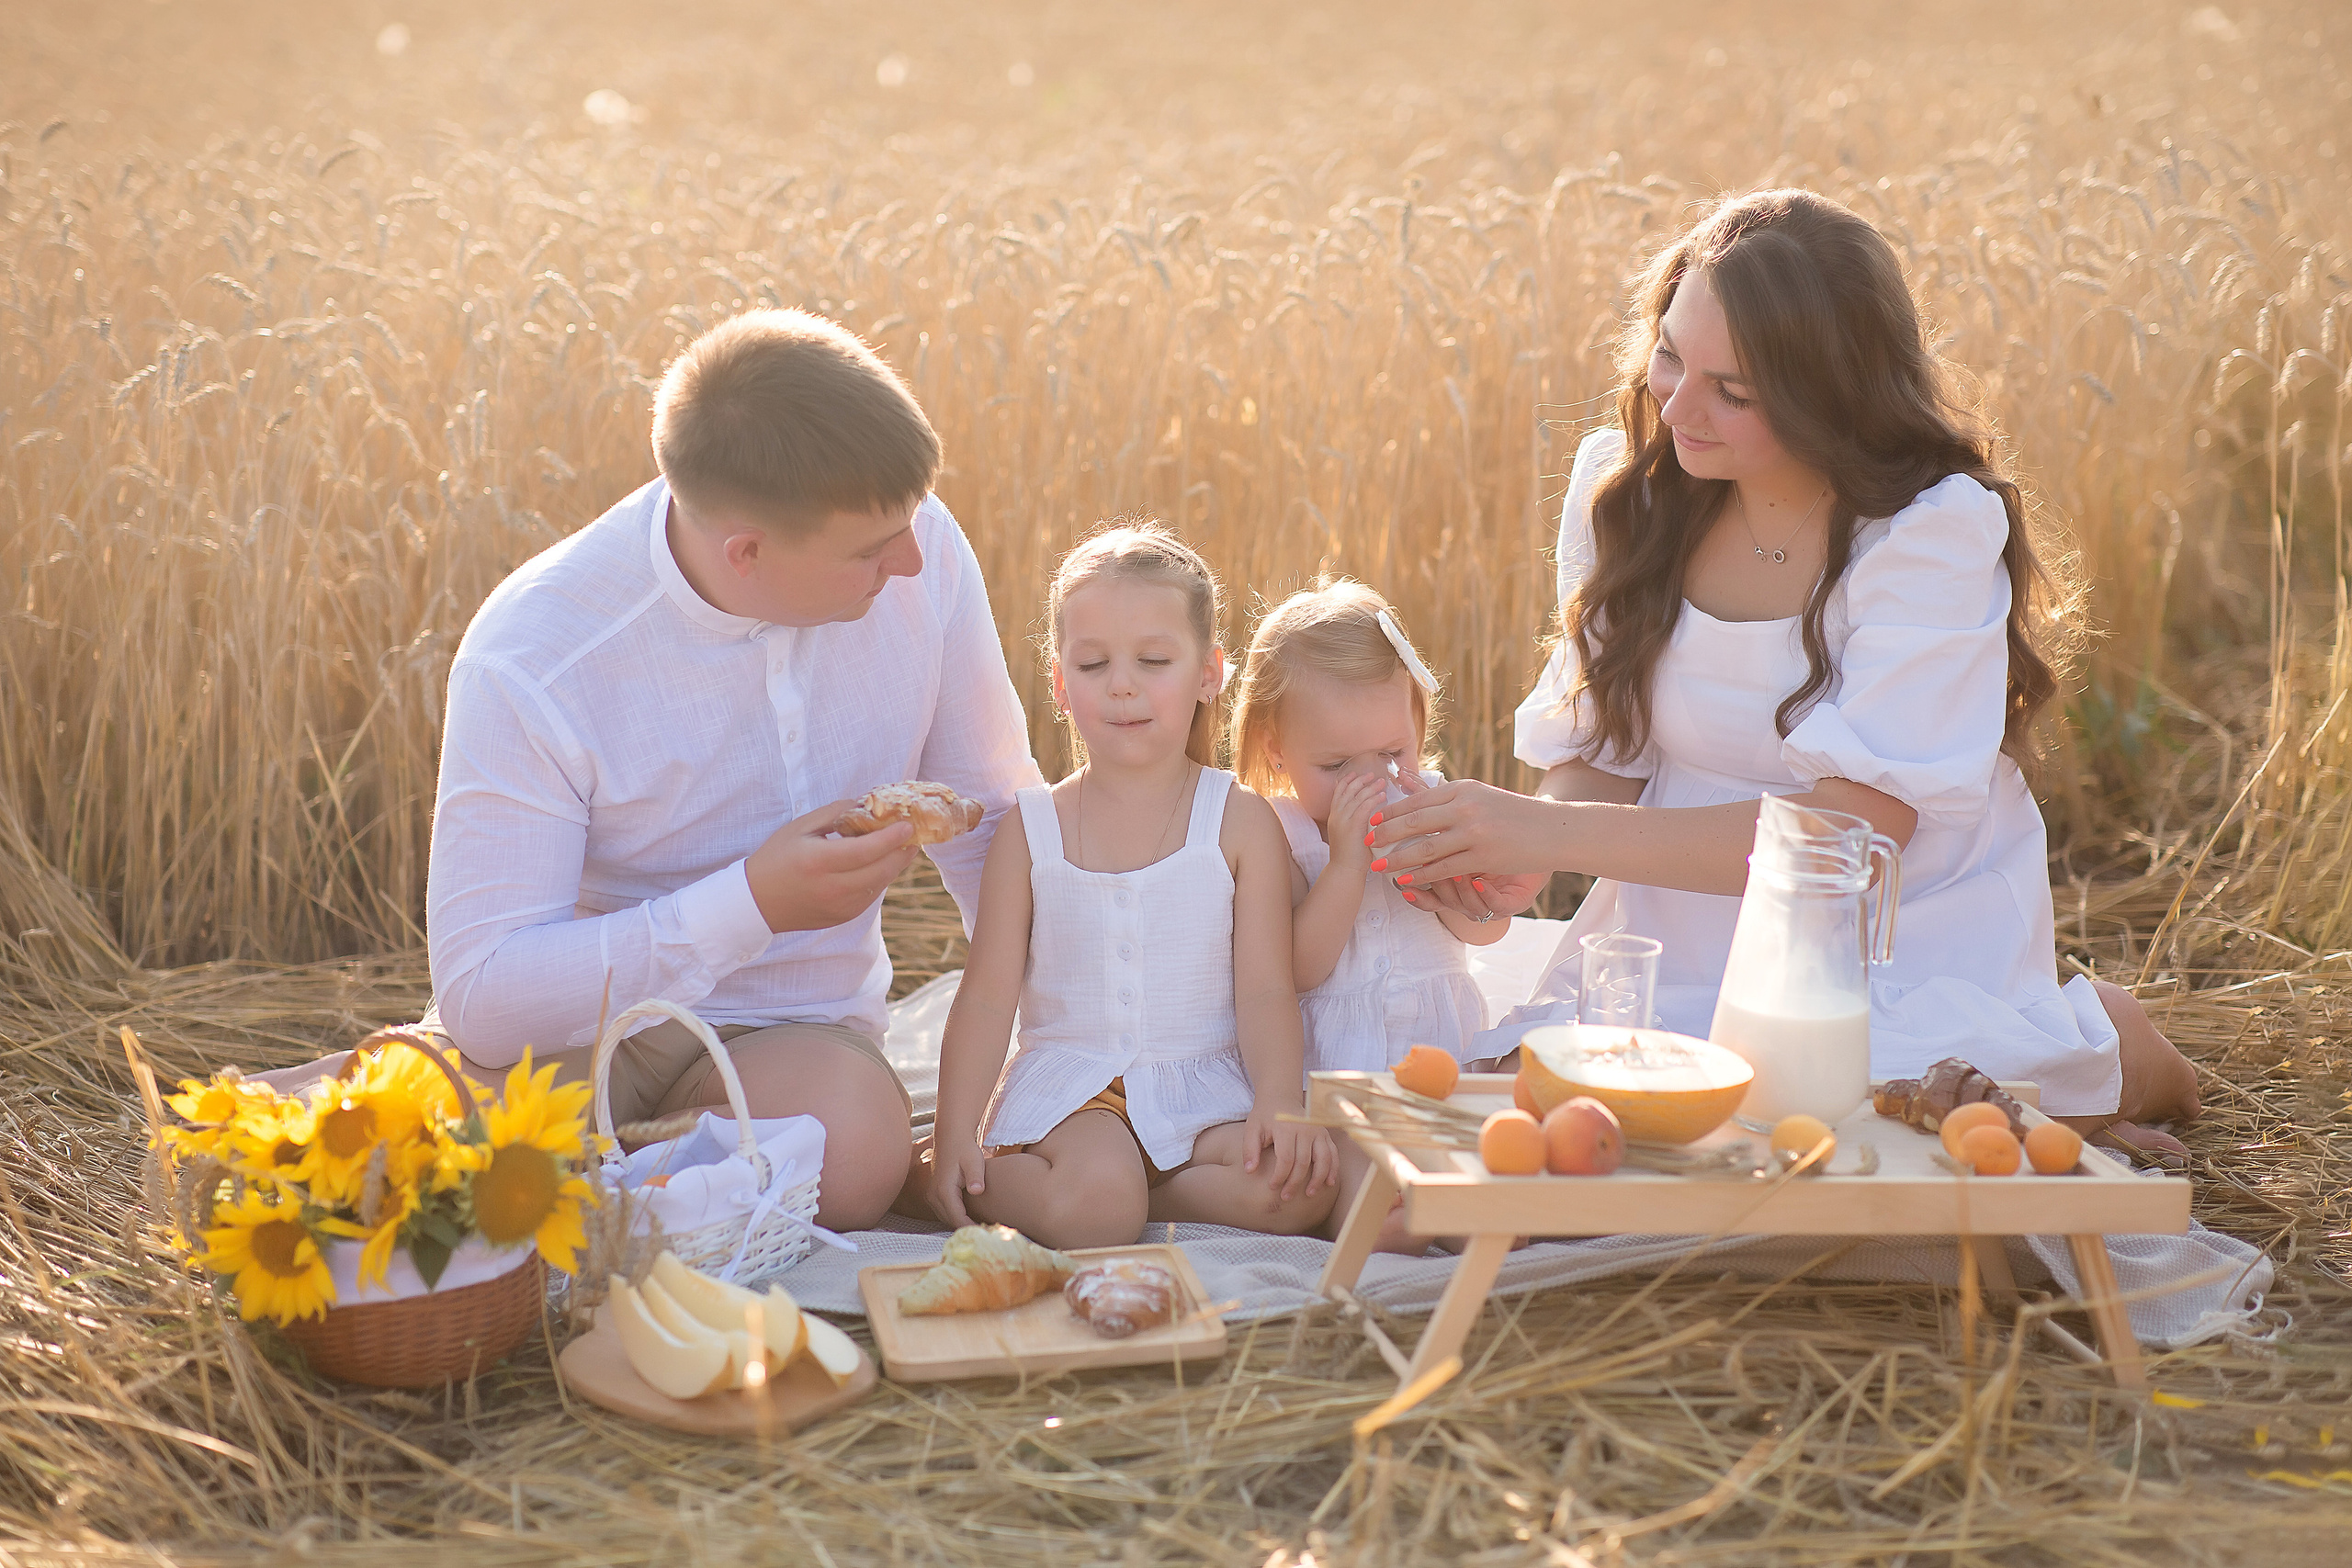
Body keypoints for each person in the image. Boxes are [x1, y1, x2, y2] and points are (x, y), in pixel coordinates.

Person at [1366, 189, 2200, 1156]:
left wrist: (1556, 829)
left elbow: (1846, 838)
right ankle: (2060, 1075)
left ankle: (2113, 1047)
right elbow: (1606, 743)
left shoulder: (1926, 533)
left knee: (1848, 1123)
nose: (1675, 404)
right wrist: (1524, 858)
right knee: (1609, 1122)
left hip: (1887, 925)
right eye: (1670, 355)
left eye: (1735, 390)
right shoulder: (1627, 493)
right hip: (1679, 912)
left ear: (1828, 396)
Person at [424, 309, 1042, 1229]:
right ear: (745, 552)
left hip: (798, 1035)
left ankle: (580, 1189)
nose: (913, 560)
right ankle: (618, 1183)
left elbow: (992, 814)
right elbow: (485, 993)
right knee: (383, 1176)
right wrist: (750, 902)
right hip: (578, 1033)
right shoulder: (535, 658)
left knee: (853, 1155)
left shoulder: (919, 545)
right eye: (873, 550)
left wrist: (1074, 1040)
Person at [916, 525, 1339, 1248]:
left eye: (1152, 660)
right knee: (1098, 1205)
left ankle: (1143, 1190)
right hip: (1074, 1096)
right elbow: (986, 997)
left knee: (1299, 1188)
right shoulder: (1032, 829)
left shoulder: (1238, 823)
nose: (1121, 683)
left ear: (1210, 672)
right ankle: (932, 1170)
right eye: (1092, 663)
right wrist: (958, 1124)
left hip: (1200, 1090)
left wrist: (1279, 1099)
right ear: (1058, 683)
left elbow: (1266, 989)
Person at [1227, 580, 1505, 1073]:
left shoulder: (1436, 804)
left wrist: (1450, 880)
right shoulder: (1280, 834)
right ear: (1277, 752)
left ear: (1416, 725)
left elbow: (1487, 931)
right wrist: (1344, 867)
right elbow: (1298, 969)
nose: (1372, 780)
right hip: (1337, 1066)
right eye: (1336, 766)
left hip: (1441, 1051)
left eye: (1392, 753)